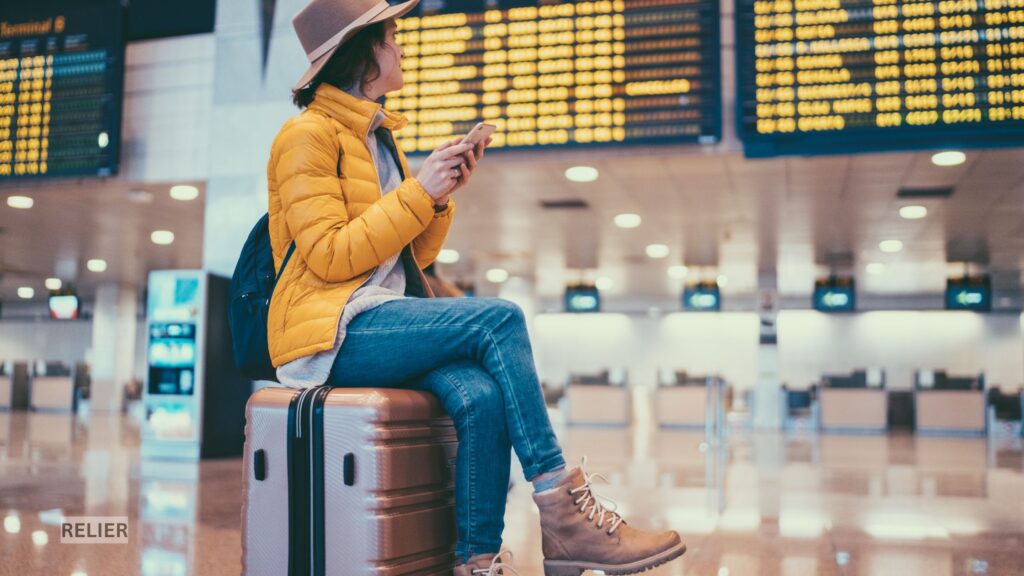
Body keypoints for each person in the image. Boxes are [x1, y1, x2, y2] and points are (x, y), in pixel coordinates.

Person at [267, 0, 687, 574]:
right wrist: (419, 193)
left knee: (481, 398)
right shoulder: (306, 136)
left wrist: (436, 198)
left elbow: (412, 258)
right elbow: (330, 255)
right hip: (329, 332)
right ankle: (563, 512)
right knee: (499, 317)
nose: (402, 45)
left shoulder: (378, 138)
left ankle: (477, 562)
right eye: (392, 36)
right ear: (361, 52)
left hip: (383, 318)